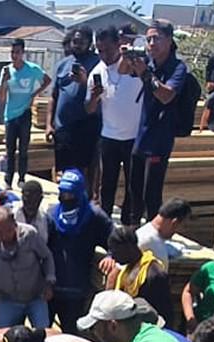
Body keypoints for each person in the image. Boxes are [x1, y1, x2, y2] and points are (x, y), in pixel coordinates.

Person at [130, 20, 189, 222]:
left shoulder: (178, 67)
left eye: (156, 38)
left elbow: (166, 95)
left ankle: (154, 235)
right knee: (135, 191)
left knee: (151, 194)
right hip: (141, 135)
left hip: (160, 138)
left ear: (169, 40)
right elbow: (122, 70)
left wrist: (145, 74)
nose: (151, 44)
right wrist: (126, 55)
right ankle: (134, 233)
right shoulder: (148, 61)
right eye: (148, 39)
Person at [44, 168, 113, 335]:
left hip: (77, 290)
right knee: (44, 333)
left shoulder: (94, 217)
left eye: (70, 194)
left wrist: (111, 256)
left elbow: (114, 238)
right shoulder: (52, 214)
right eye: (63, 193)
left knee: (71, 333)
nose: (66, 198)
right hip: (51, 289)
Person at [86, 27, 143, 224]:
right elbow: (89, 109)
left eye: (108, 50)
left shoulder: (133, 66)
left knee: (132, 186)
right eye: (99, 50)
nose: (104, 55)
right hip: (109, 137)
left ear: (118, 45)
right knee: (106, 185)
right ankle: (105, 222)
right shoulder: (97, 72)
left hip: (134, 138)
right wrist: (94, 96)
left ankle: (129, 224)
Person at [0, 205, 56, 329]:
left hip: (36, 298)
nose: (4, 236)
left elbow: (47, 257)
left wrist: (49, 282)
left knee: (44, 334)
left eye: (8, 230)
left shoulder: (30, 234)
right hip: (8, 300)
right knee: (3, 338)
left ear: (14, 223)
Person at [46, 26, 102, 178]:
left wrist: (85, 81)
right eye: (74, 41)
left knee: (84, 169)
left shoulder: (98, 63)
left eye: (81, 42)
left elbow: (100, 93)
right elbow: (54, 96)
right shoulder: (62, 64)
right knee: (65, 170)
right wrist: (49, 124)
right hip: (63, 126)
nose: (77, 45)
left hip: (86, 125)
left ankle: (84, 199)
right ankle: (67, 198)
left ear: (89, 43)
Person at [0, 38, 51, 189]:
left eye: (18, 52)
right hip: (10, 115)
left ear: (23, 53)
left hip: (25, 113)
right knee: (10, 149)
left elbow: (47, 80)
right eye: (12, 52)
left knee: (23, 149)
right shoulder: (6, 71)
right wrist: (4, 81)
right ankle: (8, 179)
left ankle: (21, 178)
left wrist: (34, 94)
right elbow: (1, 98)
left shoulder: (32, 69)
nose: (15, 56)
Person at [103, 227, 173, 325]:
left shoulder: (155, 275)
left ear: (128, 247)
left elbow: (165, 314)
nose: (113, 257)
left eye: (116, 251)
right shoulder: (125, 270)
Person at [135, 197, 190, 268]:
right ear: (174, 223)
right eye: (182, 226)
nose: (177, 232)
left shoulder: (144, 232)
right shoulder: (153, 245)